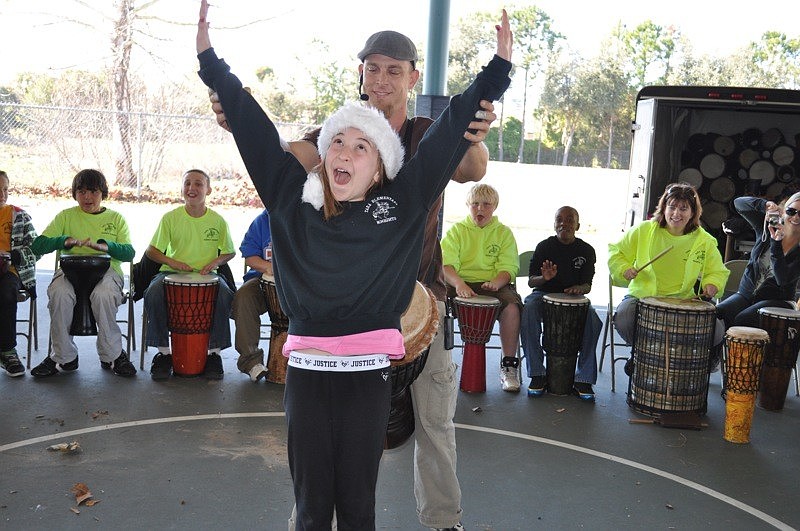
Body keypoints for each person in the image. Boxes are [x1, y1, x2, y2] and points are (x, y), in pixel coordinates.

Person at [196, 1, 512, 529]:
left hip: (379, 359)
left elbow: (456, 145)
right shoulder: (292, 199)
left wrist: (495, 75)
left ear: (383, 164)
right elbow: (257, 135)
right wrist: (213, 66)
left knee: (361, 500)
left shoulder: (403, 200)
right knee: (313, 502)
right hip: (307, 370)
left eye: (361, 145)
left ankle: (443, 519)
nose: (345, 150)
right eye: (337, 143)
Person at [607, 182, 730, 374]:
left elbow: (716, 270)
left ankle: (679, 361)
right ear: (663, 208)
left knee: (716, 331)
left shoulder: (704, 240)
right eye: (672, 207)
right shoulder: (644, 230)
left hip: (683, 300)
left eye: (683, 208)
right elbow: (616, 252)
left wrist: (712, 283)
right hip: (641, 297)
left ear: (692, 212)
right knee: (625, 320)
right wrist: (625, 269)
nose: (676, 214)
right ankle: (641, 354)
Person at [30, 169, 137, 378]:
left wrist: (106, 247)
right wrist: (63, 241)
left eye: (93, 191)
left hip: (107, 271)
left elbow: (129, 253)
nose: (87, 197)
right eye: (81, 192)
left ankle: (112, 356)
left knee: (104, 294)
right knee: (59, 293)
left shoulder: (116, 219)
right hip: (70, 270)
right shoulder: (66, 216)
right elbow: (38, 245)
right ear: (74, 193)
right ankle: (63, 356)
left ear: (103, 193)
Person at [143, 168, 236, 381]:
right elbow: (152, 251)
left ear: (209, 190)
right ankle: (163, 353)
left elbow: (229, 251)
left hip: (208, 276)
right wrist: (172, 262)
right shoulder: (170, 218)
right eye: (187, 184)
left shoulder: (217, 221)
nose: (191, 188)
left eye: (198, 184)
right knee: (154, 291)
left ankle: (214, 354)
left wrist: (215, 261)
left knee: (224, 293)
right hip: (170, 274)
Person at [441, 183, 523, 392]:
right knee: (437, 303)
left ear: (494, 207)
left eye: (486, 204)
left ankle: (509, 366)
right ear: (468, 205)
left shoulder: (504, 233)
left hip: (494, 284)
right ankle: (439, 363)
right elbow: (446, 265)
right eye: (475, 204)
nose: (480, 209)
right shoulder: (457, 231)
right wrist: (460, 283)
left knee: (512, 308)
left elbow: (509, 268)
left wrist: (496, 281)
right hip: (459, 281)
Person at [520, 206, 602, 400]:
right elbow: (531, 281)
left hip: (574, 300)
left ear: (578, 225)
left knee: (593, 319)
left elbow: (587, 285)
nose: (564, 223)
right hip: (543, 294)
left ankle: (584, 378)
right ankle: (537, 374)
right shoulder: (544, 247)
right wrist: (545, 278)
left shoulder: (586, 250)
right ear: (554, 223)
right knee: (528, 309)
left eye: (569, 220)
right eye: (559, 219)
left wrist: (579, 289)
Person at [717, 193, 800, 329]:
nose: (796, 217)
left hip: (779, 301)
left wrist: (776, 244)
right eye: (791, 211)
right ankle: (718, 350)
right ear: (783, 211)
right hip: (747, 294)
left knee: (743, 319)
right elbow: (739, 204)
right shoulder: (770, 226)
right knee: (717, 314)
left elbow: (782, 279)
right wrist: (764, 205)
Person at [0, 170, 39, 377]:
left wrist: (13, 256)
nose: (2, 195)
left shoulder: (19, 216)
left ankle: (7, 350)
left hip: (11, 271)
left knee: (6, 293)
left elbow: (36, 249)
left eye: (5, 189)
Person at [232, 209, 272, 382]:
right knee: (244, 296)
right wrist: (269, 268)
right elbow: (249, 257)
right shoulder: (262, 221)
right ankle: (252, 362)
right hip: (262, 281)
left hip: (297, 284)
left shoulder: (306, 214)